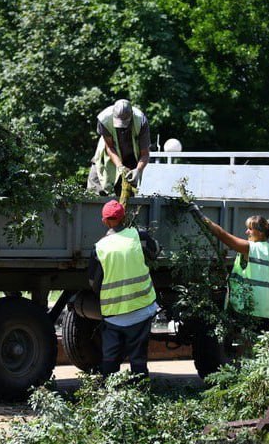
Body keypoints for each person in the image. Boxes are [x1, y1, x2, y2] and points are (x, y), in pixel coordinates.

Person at [191, 205, 269, 330]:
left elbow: (221, 234)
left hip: (248, 307)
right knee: (260, 344)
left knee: (245, 344)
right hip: (266, 310)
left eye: (250, 229)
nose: (247, 232)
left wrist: (200, 216)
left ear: (260, 232)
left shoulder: (249, 248)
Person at [89, 200, 160, 377]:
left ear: (104, 221)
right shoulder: (139, 236)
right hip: (141, 309)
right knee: (138, 359)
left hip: (113, 315)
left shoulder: (99, 248)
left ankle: (110, 395)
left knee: (110, 359)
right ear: (125, 218)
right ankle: (141, 393)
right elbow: (155, 252)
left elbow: (93, 282)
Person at [87, 99, 151, 196]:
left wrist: (138, 170)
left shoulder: (141, 121)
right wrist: (120, 166)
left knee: (126, 197)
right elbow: (110, 147)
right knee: (94, 193)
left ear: (131, 115)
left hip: (130, 161)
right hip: (106, 157)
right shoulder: (104, 119)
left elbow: (145, 154)